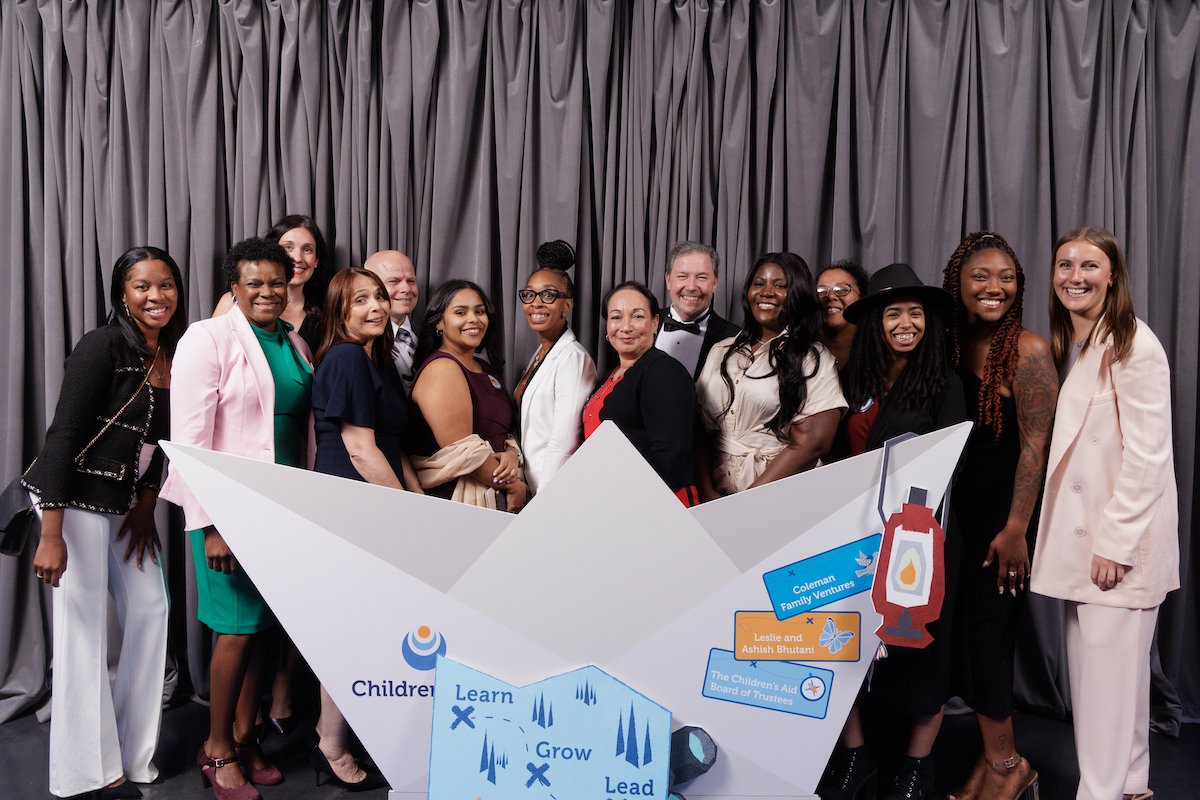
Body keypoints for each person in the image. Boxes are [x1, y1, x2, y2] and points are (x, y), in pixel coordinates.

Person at [24, 247, 184, 800]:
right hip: (76, 502)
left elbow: (163, 444)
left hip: (126, 506)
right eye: (142, 286)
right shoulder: (102, 346)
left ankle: (131, 752)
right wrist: (51, 531)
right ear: (122, 293)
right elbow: (63, 436)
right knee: (83, 625)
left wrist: (145, 506)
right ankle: (83, 769)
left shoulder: (173, 352)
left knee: (150, 609)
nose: (155, 296)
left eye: (165, 285)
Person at [161, 237, 314, 800]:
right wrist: (215, 522)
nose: (268, 291)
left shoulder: (293, 342)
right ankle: (217, 748)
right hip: (228, 513)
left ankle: (247, 737)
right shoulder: (208, 338)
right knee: (236, 630)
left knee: (265, 633)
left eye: (277, 281)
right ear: (234, 286)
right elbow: (191, 440)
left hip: (283, 512)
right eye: (254, 282)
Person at [1030, 226, 1178, 800]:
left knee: (1104, 687)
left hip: (1117, 545)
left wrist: (1115, 544)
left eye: (1089, 266)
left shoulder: (1134, 344)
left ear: (1112, 275)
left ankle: (1100, 792)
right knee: (1118, 679)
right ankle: (1132, 782)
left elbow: (1148, 455)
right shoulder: (1088, 342)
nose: (1075, 276)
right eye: (1064, 264)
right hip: (1093, 542)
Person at [820, 263, 966, 800]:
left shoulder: (944, 383)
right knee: (842, 639)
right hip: (854, 531)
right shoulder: (855, 379)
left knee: (926, 649)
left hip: (920, 536)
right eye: (892, 314)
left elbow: (953, 463)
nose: (905, 323)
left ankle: (915, 768)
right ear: (876, 324)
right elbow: (837, 451)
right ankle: (857, 756)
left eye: (915, 313)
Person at [941, 232, 1056, 800]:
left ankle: (1011, 766)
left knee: (990, 641)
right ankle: (994, 763)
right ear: (957, 284)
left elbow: (1036, 447)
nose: (995, 287)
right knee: (962, 641)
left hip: (1002, 526)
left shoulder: (1028, 350)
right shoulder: (946, 344)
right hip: (954, 523)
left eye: (1006, 276)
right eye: (981, 276)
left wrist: (1016, 530)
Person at [308, 268, 423, 792]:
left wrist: (424, 509)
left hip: (373, 500)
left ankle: (341, 736)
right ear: (339, 310)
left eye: (380, 296)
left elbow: (392, 446)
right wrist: (404, 514)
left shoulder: (371, 360)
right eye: (362, 300)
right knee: (350, 631)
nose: (377, 306)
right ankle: (329, 743)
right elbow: (359, 448)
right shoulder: (348, 357)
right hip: (351, 505)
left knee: (369, 628)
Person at [695, 252, 846, 497]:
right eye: (758, 284)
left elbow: (813, 444)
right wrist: (705, 490)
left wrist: (751, 500)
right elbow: (699, 428)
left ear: (797, 295)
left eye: (780, 286)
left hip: (780, 495)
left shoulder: (814, 360)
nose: (766, 292)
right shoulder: (721, 351)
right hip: (716, 489)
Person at [408, 280, 528, 511]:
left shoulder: (484, 367)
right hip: (455, 502)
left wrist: (512, 456)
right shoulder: (442, 368)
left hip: (494, 491)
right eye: (460, 312)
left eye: (480, 311)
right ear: (439, 323)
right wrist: (513, 486)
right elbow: (463, 451)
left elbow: (503, 432)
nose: (473, 319)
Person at [583, 281, 699, 506]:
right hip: (611, 500)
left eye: (637, 316)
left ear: (655, 322)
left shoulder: (663, 371)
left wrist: (628, 503)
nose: (626, 327)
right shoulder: (611, 375)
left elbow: (669, 455)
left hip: (653, 504)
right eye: (616, 317)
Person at [513, 240, 597, 495]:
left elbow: (564, 442)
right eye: (529, 294)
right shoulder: (541, 353)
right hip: (529, 488)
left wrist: (543, 501)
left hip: (552, 493)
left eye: (548, 295)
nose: (536, 303)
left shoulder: (573, 359)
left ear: (567, 306)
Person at [214, 214, 332, 353]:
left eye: (307, 250)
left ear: (316, 259)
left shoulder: (327, 311)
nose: (297, 258)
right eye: (288, 247)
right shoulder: (232, 302)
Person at [655, 241, 740, 379]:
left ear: (715, 283)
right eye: (682, 276)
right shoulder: (642, 324)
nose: (691, 287)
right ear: (668, 280)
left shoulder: (736, 338)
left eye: (701, 277)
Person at [364, 249, 420, 390]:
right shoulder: (363, 343)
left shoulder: (430, 335)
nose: (406, 288)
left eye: (411, 281)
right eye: (394, 281)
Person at [816, 259, 869, 373]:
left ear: (862, 296)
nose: (830, 296)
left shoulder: (876, 349)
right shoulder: (802, 350)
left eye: (842, 289)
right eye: (821, 291)